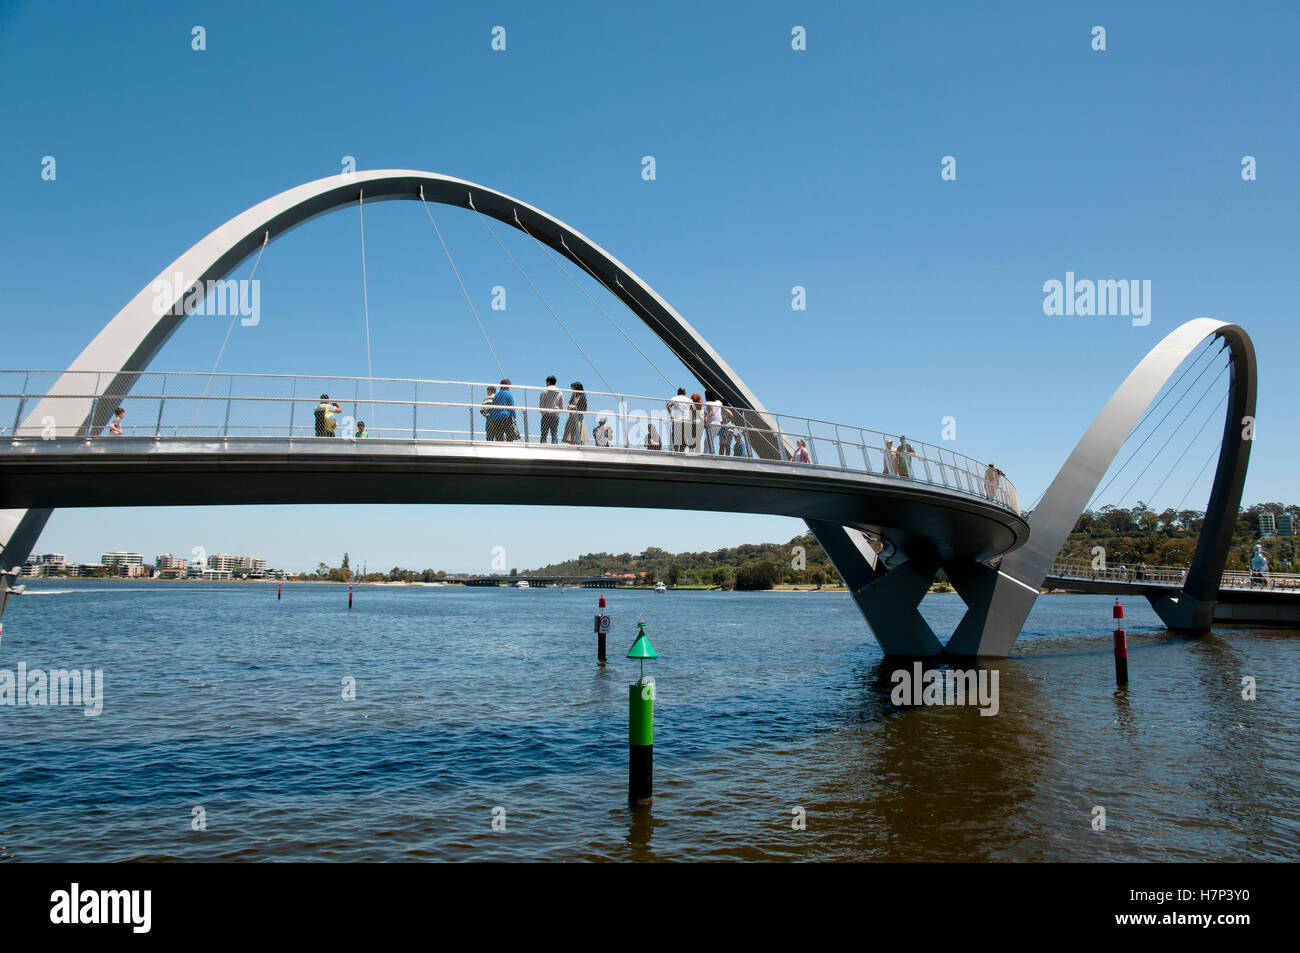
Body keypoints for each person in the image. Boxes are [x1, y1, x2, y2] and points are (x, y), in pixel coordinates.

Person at [539, 375, 563, 444]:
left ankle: (543, 445)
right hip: (555, 414)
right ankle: (555, 445)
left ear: (548, 382)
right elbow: (561, 406)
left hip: (546, 414)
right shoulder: (560, 392)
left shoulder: (544, 390)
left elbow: (541, 404)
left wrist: (542, 411)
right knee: (554, 433)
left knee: (544, 433)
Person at [703, 389, 727, 455]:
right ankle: (709, 453)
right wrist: (731, 416)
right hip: (718, 424)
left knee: (707, 441)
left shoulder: (708, 403)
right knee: (710, 440)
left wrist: (706, 418)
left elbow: (711, 412)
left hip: (712, 424)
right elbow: (725, 410)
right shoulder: (719, 402)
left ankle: (706, 454)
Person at [667, 387, 691, 451]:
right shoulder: (689, 400)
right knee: (684, 439)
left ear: (678, 392)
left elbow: (668, 406)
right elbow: (694, 409)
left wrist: (671, 416)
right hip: (686, 421)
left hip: (677, 420)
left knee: (676, 439)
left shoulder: (675, 398)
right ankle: (681, 453)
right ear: (685, 393)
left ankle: (676, 452)